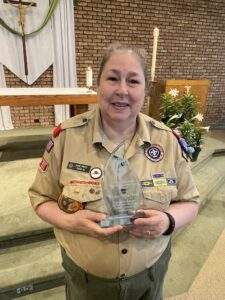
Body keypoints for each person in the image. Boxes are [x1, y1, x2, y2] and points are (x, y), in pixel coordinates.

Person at [29, 43, 200, 300]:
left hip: (149, 278)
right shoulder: (66, 138)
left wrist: (167, 221)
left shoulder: (166, 141)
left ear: (145, 89)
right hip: (86, 283)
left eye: (133, 81)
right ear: (98, 84)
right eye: (112, 78)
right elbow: (40, 198)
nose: (122, 90)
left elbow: (190, 201)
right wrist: (70, 221)